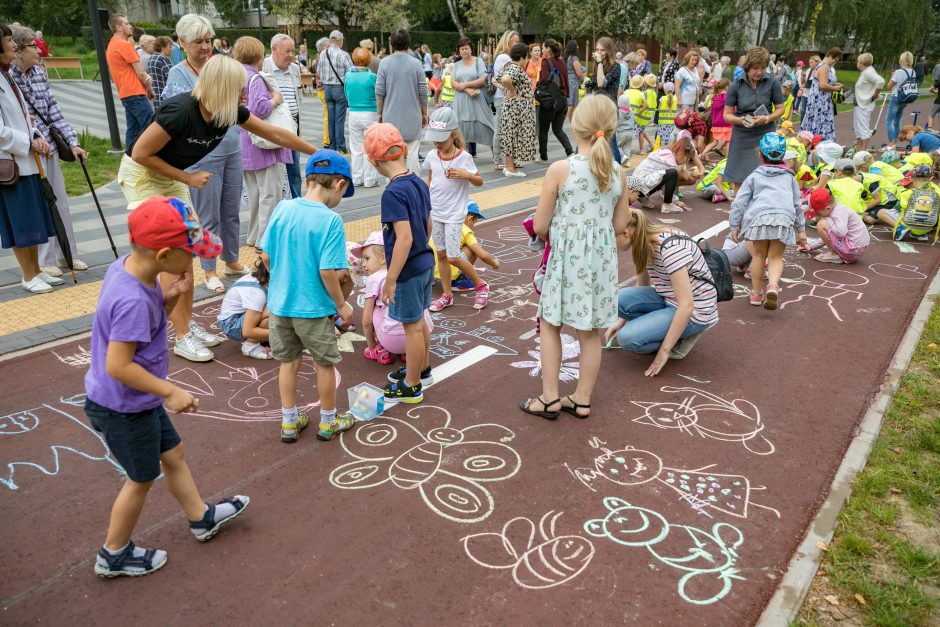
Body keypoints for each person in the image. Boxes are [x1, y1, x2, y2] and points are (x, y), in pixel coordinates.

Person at [85, 196, 249, 578]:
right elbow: (118, 364)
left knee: (173, 452)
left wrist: (167, 296)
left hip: (133, 400)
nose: (193, 259)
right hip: (124, 406)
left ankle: (200, 517)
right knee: (141, 479)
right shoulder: (132, 301)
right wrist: (169, 390)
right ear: (162, 256)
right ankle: (113, 554)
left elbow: (136, 324)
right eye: (189, 253)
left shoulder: (127, 272)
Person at [123, 54, 321, 362]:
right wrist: (186, 177)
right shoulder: (179, 111)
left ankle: (185, 325)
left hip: (170, 172)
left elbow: (277, 134)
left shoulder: (228, 111)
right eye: (239, 88)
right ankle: (180, 335)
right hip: (144, 174)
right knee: (172, 252)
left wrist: (318, 154)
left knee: (186, 251)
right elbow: (140, 153)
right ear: (221, 88)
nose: (245, 95)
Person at [521, 95, 629, 418]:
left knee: (551, 324)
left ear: (574, 125)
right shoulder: (618, 173)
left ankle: (549, 397)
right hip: (600, 262)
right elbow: (621, 224)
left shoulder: (560, 169)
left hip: (567, 259)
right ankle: (582, 399)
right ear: (609, 130)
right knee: (590, 331)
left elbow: (541, 224)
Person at [261, 149, 356, 442]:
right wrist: (341, 305)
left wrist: (282, 281)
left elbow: (265, 256)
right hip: (313, 308)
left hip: (280, 304)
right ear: (339, 184)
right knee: (324, 364)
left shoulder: (283, 208)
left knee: (288, 363)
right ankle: (328, 421)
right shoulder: (330, 221)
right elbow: (330, 271)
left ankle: (289, 422)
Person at [161, 15, 248, 296]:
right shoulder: (179, 74)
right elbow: (183, 113)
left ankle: (231, 259)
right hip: (203, 153)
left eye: (208, 40)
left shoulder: (220, 66)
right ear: (182, 42)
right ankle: (209, 269)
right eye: (198, 41)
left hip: (232, 145)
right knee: (208, 215)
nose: (205, 46)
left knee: (231, 210)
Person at [10, 25, 91, 280]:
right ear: (20, 50)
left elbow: (54, 112)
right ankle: (44, 261)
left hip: (50, 147)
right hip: (29, 150)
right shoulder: (8, 77)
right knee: (41, 205)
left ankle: (67, 253)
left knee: (61, 202)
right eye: (34, 46)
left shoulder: (38, 72)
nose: (40, 50)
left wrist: (73, 142)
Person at [364, 124, 435, 404]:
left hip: (406, 270)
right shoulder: (417, 181)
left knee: (412, 326)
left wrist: (391, 277)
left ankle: (412, 384)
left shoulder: (392, 193)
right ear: (403, 150)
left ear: (373, 161)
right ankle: (423, 367)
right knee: (419, 321)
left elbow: (402, 238)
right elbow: (426, 224)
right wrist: (421, 248)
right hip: (425, 261)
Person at [604, 205, 718, 373]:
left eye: (609, 238)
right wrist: (620, 320)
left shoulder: (670, 248)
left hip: (694, 312)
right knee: (614, 299)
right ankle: (660, 328)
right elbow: (642, 285)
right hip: (668, 298)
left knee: (627, 339)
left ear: (626, 233)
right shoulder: (641, 241)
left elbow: (686, 304)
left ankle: (677, 340)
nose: (608, 245)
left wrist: (664, 351)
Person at [0, 23, 58, 294]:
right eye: (8, 40)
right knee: (20, 221)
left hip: (26, 159)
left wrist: (35, 133)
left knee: (32, 218)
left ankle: (35, 270)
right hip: (10, 163)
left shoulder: (7, 76)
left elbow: (24, 116)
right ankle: (27, 274)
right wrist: (28, 141)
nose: (13, 44)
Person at [729, 133, 806, 309]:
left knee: (758, 255)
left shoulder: (754, 176)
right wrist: (801, 230)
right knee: (775, 257)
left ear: (760, 154)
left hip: (759, 218)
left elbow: (739, 202)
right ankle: (772, 285)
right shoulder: (790, 177)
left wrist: (734, 225)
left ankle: (756, 294)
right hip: (783, 218)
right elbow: (797, 205)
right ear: (783, 154)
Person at [421, 107, 486, 312]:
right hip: (437, 212)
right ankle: (447, 294)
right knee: (439, 255)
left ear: (453, 134)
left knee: (453, 256)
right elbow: (431, 179)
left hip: (454, 214)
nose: (438, 143)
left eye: (442, 139)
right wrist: (423, 196)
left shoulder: (463, 157)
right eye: (435, 139)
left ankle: (481, 285)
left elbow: (479, 181)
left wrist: (466, 175)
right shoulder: (432, 155)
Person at [236, 36, 293, 259]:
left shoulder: (236, 75)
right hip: (264, 146)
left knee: (255, 194)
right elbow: (259, 109)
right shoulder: (255, 78)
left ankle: (253, 236)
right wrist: (276, 99)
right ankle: (265, 240)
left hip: (245, 144)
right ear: (258, 55)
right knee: (270, 193)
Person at [355, 230, 435, 364]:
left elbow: (366, 320)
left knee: (374, 307)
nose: (363, 264)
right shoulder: (406, 271)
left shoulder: (374, 278)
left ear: (382, 257)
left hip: (392, 341)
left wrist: (371, 346)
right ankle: (407, 353)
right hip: (421, 336)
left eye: (367, 258)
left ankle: (378, 350)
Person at [723, 46, 786, 191]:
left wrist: (767, 118)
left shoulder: (772, 82)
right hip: (742, 134)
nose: (759, 72)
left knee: (767, 176)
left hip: (766, 133)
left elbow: (780, 109)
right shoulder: (736, 84)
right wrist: (741, 120)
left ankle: (762, 210)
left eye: (762, 68)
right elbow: (726, 114)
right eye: (755, 68)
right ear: (747, 67)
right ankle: (739, 211)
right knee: (739, 177)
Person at [376, 28, 428, 174]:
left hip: (390, 115)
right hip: (413, 115)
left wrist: (379, 113)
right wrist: (424, 112)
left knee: (391, 152)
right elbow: (423, 91)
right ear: (408, 42)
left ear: (392, 43)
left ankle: (393, 182)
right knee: (411, 153)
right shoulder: (416, 63)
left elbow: (379, 91)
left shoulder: (384, 63)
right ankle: (413, 184)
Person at [264, 34, 303, 198]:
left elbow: (298, 95)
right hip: (274, 127)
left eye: (293, 51)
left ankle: (297, 202)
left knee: (294, 170)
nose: (291, 55)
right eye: (287, 51)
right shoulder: (263, 67)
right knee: (276, 172)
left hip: (293, 126)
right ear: (274, 49)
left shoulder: (294, 69)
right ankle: (280, 204)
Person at [106, 13, 153, 149]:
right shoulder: (124, 45)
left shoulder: (111, 45)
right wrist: (149, 86)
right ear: (119, 27)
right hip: (135, 93)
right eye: (127, 23)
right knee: (151, 126)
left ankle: (130, 159)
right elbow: (140, 72)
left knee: (133, 130)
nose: (130, 26)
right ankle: (152, 158)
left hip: (126, 94)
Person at [631, 132, 702, 213]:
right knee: (672, 173)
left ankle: (642, 197)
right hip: (640, 186)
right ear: (682, 154)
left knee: (664, 176)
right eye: (687, 158)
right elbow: (666, 186)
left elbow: (661, 179)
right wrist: (675, 201)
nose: (687, 161)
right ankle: (667, 205)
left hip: (637, 185)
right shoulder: (670, 162)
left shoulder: (666, 153)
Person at [496, 43, 537, 177]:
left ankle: (510, 166)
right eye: (527, 58)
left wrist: (507, 89)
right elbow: (506, 79)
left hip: (512, 108)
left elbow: (494, 78)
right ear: (523, 57)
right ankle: (510, 169)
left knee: (510, 136)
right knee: (513, 137)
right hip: (516, 109)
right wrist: (512, 91)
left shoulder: (509, 66)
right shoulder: (516, 68)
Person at [451, 37, 496, 159]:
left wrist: (465, 84)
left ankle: (497, 157)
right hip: (461, 100)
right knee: (461, 127)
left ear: (471, 50)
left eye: (466, 48)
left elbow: (483, 80)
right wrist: (467, 90)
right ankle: (462, 157)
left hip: (477, 99)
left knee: (488, 125)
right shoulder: (456, 64)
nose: (464, 51)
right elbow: (452, 82)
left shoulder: (478, 61)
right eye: (462, 49)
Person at [217, 259, 271, 359]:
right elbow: (247, 330)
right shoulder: (257, 292)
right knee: (274, 312)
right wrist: (279, 333)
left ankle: (261, 337)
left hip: (238, 317)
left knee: (276, 309)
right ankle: (250, 345)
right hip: (232, 325)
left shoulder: (259, 278)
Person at [345, 47, 379, 188]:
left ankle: (356, 177)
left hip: (353, 113)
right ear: (369, 60)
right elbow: (378, 96)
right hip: (370, 112)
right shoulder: (372, 77)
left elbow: (346, 94)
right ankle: (370, 179)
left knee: (356, 147)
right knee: (370, 147)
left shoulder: (347, 76)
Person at [807, 187, 869, 264]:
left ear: (828, 208)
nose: (818, 216)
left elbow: (841, 233)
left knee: (821, 224)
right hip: (855, 250)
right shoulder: (837, 209)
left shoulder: (838, 212)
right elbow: (830, 236)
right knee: (824, 224)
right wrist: (811, 247)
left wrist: (827, 220)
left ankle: (835, 255)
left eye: (819, 214)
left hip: (852, 250)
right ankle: (837, 254)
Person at [536, 38, 574, 161]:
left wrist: (538, 84)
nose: (542, 50)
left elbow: (545, 80)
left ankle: (543, 155)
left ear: (548, 49)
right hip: (562, 100)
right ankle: (570, 151)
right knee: (558, 129)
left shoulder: (546, 62)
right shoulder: (562, 62)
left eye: (542, 48)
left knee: (543, 130)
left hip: (550, 101)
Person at [317, 30, 352, 153]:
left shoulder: (322, 54)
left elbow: (319, 72)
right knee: (339, 119)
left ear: (331, 40)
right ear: (340, 41)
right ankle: (341, 146)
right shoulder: (344, 55)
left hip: (327, 89)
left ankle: (331, 146)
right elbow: (350, 72)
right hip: (339, 89)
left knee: (330, 118)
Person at [589, 37, 622, 162]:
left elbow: (601, 83)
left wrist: (598, 63)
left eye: (602, 50)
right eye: (597, 50)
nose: (599, 53)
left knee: (611, 142)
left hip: (609, 109)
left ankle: (618, 171)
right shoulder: (599, 66)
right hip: (597, 108)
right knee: (589, 139)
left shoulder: (616, 67)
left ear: (609, 51)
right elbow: (594, 84)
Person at [801, 48, 843, 142]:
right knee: (819, 123)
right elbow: (823, 85)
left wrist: (835, 84)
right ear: (832, 57)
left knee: (816, 122)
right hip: (820, 101)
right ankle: (819, 143)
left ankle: (813, 142)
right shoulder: (824, 67)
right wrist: (835, 88)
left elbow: (823, 82)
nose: (835, 63)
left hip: (822, 100)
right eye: (835, 60)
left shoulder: (823, 66)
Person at [492, 30, 520, 168]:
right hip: (504, 97)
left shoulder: (502, 57)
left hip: (502, 97)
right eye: (515, 41)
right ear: (508, 42)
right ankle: (498, 160)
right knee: (502, 129)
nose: (517, 43)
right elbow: (508, 79)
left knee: (505, 129)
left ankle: (503, 159)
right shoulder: (505, 58)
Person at [852, 53, 885, 152]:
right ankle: (859, 149)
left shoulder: (868, 72)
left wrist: (875, 95)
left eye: (858, 61)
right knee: (858, 128)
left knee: (863, 128)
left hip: (864, 105)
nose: (857, 63)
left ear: (862, 63)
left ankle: (863, 150)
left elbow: (881, 81)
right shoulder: (865, 72)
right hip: (860, 104)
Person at [701, 78, 730, 159]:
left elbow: (712, 112)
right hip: (727, 123)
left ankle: (702, 154)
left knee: (714, 142)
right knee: (728, 141)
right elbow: (732, 109)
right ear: (727, 87)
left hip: (716, 124)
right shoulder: (728, 97)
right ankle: (726, 161)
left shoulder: (715, 98)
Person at [313, 37, 331, 148]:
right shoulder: (321, 58)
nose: (330, 48)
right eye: (327, 46)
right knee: (327, 115)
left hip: (322, 88)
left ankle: (328, 138)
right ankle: (326, 140)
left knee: (327, 114)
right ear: (322, 47)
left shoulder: (319, 57)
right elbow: (320, 74)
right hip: (323, 88)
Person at [615, 80, 637, 165]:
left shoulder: (618, 112)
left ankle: (623, 157)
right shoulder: (631, 112)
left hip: (621, 132)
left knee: (617, 146)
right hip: (630, 132)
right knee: (627, 148)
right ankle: (627, 162)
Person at [147, 36, 173, 108]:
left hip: (156, 97)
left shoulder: (151, 58)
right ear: (162, 47)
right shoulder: (163, 59)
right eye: (170, 47)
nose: (171, 50)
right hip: (166, 98)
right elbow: (173, 77)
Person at [565, 40, 585, 121]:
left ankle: (573, 124)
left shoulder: (569, 57)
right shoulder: (575, 58)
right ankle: (560, 124)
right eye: (576, 45)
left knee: (572, 106)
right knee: (570, 105)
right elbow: (579, 73)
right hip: (573, 83)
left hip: (569, 81)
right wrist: (583, 77)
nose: (578, 47)